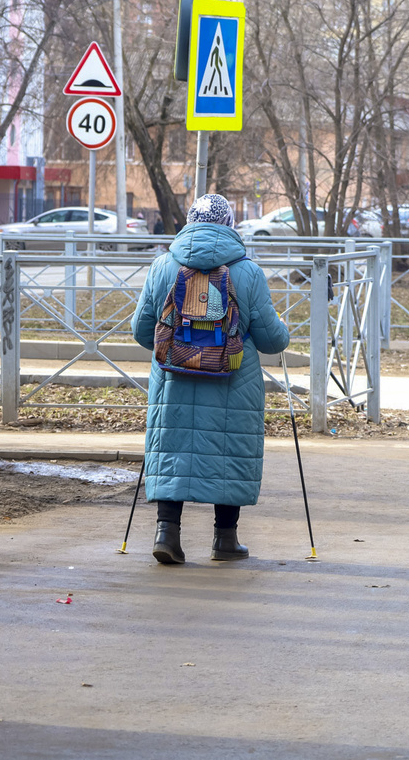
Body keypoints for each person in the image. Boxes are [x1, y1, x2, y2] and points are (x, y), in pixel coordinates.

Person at [130, 193, 291, 565]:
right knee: (229, 452)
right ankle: (225, 540)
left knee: (172, 449)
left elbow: (141, 331)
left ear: (189, 222)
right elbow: (272, 341)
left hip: (174, 377)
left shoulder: (162, 266)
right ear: (229, 225)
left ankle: (166, 533)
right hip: (233, 379)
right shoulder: (248, 272)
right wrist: (282, 328)